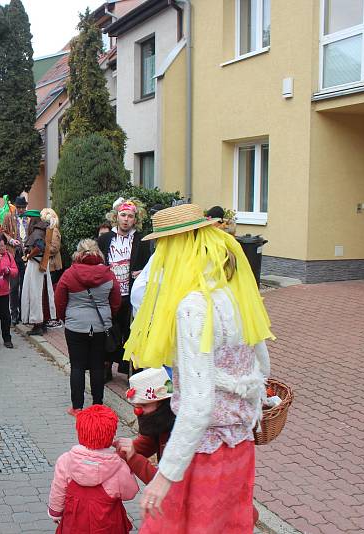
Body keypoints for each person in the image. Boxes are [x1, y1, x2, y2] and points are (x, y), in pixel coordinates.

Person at [123, 203, 273, 532]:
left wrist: (164, 477)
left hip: (201, 456)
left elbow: (198, 406)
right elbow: (263, 364)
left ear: (176, 246)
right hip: (238, 449)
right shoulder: (233, 293)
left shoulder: (193, 306)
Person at [54, 239, 120, 415]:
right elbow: (116, 301)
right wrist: (108, 317)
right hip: (100, 326)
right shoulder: (108, 274)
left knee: (77, 366)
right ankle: (98, 405)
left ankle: (77, 407)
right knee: (98, 366)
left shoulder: (69, 274)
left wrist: (65, 318)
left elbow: (59, 300)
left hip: (76, 326)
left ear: (78, 254)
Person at [48, 405, 138, 533]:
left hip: (74, 522)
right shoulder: (119, 467)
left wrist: (55, 512)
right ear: (112, 435)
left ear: (80, 431)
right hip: (108, 525)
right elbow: (130, 493)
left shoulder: (66, 461)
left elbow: (58, 490)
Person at [97, 197, 152, 379]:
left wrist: (142, 272)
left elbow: (149, 264)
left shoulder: (142, 240)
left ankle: (132, 374)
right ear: (116, 217)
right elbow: (98, 263)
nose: (126, 219)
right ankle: (105, 368)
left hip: (131, 296)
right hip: (110, 294)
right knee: (108, 332)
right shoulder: (105, 239)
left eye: (130, 216)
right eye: (123, 215)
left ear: (135, 219)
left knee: (132, 334)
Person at [113, 368, 175, 483]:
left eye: (144, 406)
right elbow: (146, 443)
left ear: (164, 403)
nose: (138, 412)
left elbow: (164, 484)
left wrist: (133, 458)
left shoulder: (181, 435)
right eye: (136, 406)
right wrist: (115, 452)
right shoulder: (161, 425)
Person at [20, 208, 60, 336]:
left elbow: (39, 247)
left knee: (36, 295)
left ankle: (38, 324)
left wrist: (29, 256)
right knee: (42, 294)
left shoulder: (37, 232)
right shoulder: (44, 230)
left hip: (36, 267)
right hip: (42, 266)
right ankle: (41, 323)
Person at [1, 196, 30, 324]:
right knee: (13, 286)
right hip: (14, 254)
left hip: (26, 255)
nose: (21, 210)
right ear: (16, 207)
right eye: (19, 207)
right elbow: (3, 231)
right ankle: (13, 313)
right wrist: (10, 240)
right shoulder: (9, 216)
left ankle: (23, 313)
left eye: (23, 207)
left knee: (25, 285)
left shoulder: (29, 218)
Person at [0, 234, 18, 349]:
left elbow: (15, 271)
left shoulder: (9, 256)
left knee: (5, 317)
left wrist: (8, 270)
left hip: (4, 292)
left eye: (2, 246)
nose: (0, 248)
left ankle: (7, 339)